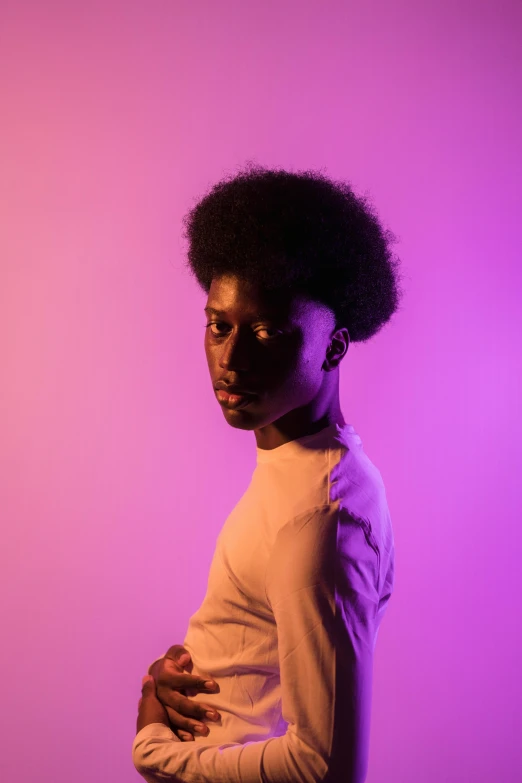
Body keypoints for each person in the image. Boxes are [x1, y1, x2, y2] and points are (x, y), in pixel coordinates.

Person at [132, 162, 403, 783]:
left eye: (266, 331)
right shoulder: (297, 469)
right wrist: (196, 673)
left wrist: (154, 743)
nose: (231, 360)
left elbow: (324, 769)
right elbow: (258, 656)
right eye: (219, 326)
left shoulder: (321, 519)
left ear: (334, 346)